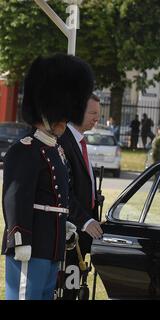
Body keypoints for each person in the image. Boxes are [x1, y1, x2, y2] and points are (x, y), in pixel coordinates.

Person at [1, 53, 94, 300]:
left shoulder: (56, 150)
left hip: (52, 245)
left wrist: (68, 223)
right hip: (30, 246)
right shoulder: (25, 150)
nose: (65, 121)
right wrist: (19, 239)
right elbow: (15, 199)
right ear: (45, 112)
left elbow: (60, 198)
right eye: (61, 116)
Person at [58, 93, 104, 300]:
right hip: (68, 233)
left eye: (98, 114)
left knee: (75, 289)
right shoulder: (63, 140)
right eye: (93, 113)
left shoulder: (79, 141)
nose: (97, 119)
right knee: (65, 291)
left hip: (84, 231)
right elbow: (63, 190)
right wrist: (85, 220)